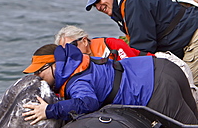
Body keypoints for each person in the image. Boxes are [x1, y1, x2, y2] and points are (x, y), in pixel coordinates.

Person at [22, 44, 198, 125]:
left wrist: (49, 111)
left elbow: (88, 102)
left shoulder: (76, 80)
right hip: (163, 67)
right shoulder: (78, 62)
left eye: (39, 71)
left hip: (156, 87)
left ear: (54, 65)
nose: (37, 77)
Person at [84, 0, 198, 86]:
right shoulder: (128, 1)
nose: (98, 7)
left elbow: (143, 46)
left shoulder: (134, 3)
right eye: (95, 5)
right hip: (185, 39)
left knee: (189, 89)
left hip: (192, 39)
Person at [55, 25, 198, 104]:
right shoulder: (78, 67)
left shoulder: (111, 45)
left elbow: (132, 73)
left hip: (165, 68)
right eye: (63, 51)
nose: (68, 53)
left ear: (84, 41)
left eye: (71, 46)